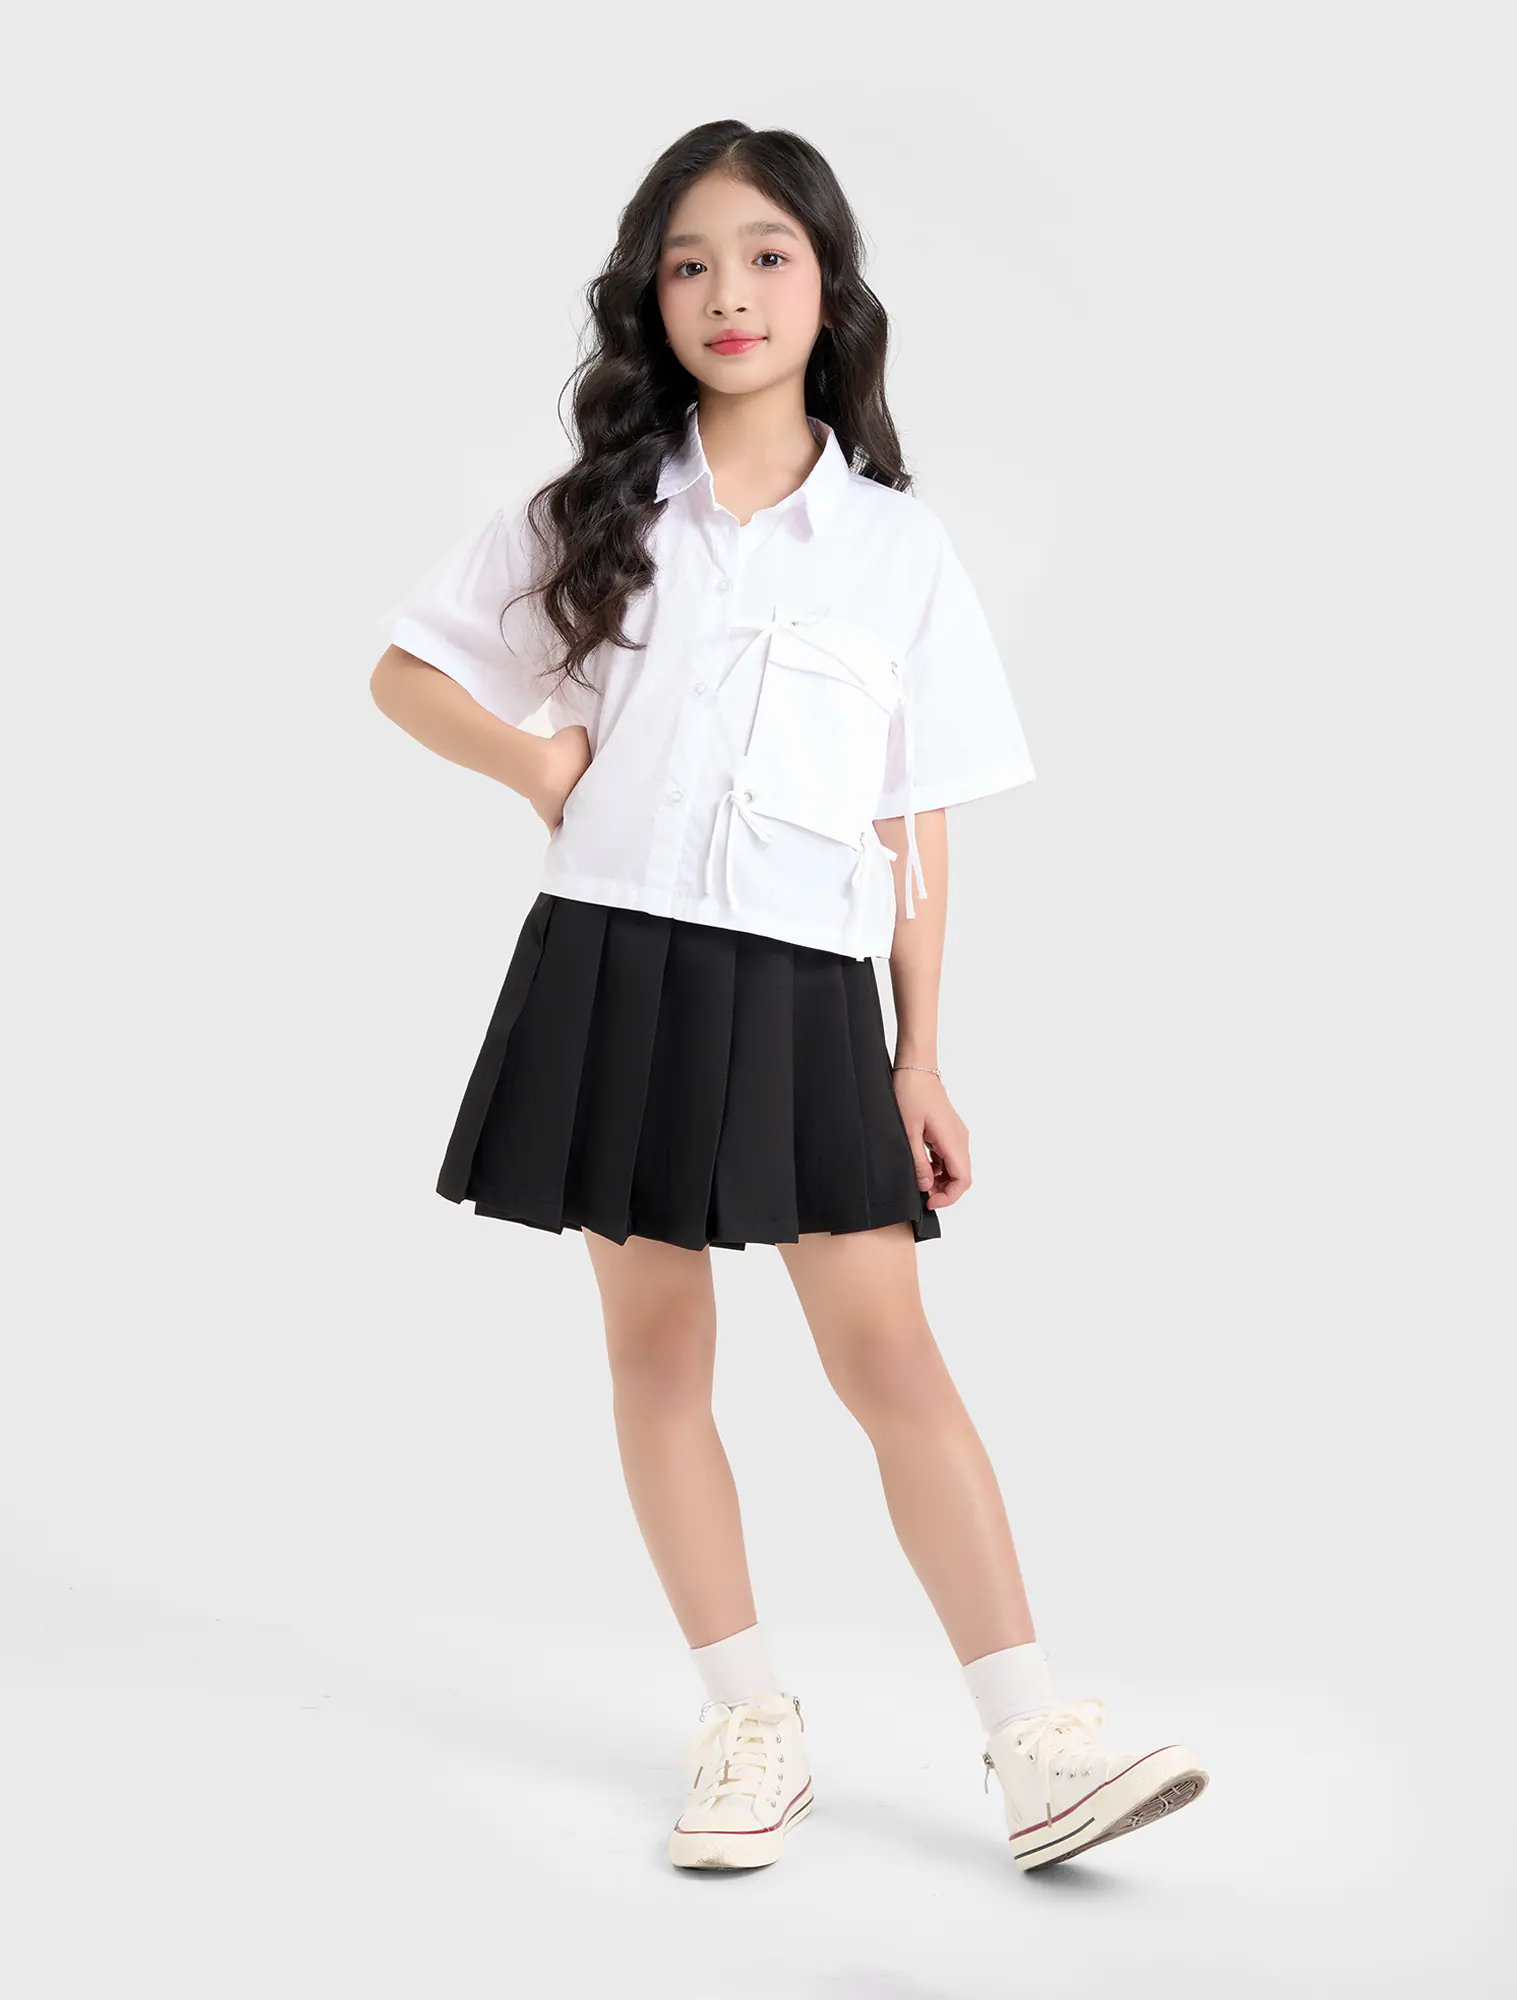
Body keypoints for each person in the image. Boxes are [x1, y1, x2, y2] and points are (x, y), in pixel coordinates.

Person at [369, 118, 1208, 1874]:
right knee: (657, 1351)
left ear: (830, 288)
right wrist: (538, 765)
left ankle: (1034, 1737)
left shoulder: (897, 550)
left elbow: (915, 819)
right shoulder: (598, 513)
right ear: (649, 297)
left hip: (811, 984)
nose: (728, 293)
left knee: (886, 1349)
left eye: (766, 256)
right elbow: (407, 672)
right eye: (689, 263)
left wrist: (922, 1054)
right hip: (615, 956)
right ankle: (746, 1718)